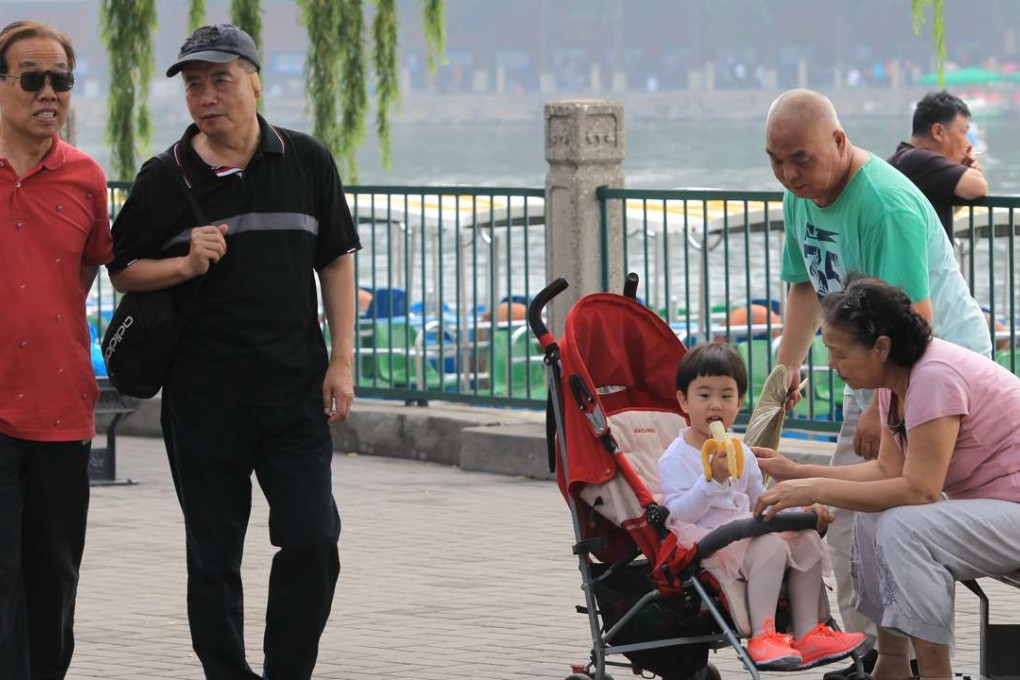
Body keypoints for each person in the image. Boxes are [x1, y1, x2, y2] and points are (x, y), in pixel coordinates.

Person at [107, 24, 360, 679]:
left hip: (295, 394)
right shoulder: (165, 177)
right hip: (203, 400)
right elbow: (123, 269)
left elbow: (334, 258)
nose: (207, 96)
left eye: (220, 80)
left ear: (254, 80)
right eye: (194, 84)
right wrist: (185, 266)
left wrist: (342, 360)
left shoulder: (306, 161)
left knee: (314, 540)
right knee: (214, 555)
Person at [764, 88, 992, 676]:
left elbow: (917, 319)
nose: (788, 174)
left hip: (932, 369)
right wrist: (786, 372)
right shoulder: (802, 195)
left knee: (896, 515)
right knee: (850, 516)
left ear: (839, 142)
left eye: (801, 159)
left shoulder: (881, 204)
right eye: (776, 160)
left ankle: (907, 660)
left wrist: (882, 409)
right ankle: (874, 653)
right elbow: (805, 287)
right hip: (871, 367)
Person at [753, 275, 1020, 680]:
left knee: (905, 526)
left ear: (881, 347)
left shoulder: (933, 377)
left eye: (840, 354)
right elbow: (887, 472)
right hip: (1002, 508)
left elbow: (920, 490)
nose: (831, 365)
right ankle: (892, 661)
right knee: (874, 518)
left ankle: (934, 673)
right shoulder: (894, 380)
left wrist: (813, 488)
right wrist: (795, 471)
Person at [0, 20, 113, 680]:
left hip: (61, 410)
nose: (50, 92)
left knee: (53, 584)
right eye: (33, 78)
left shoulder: (85, 179)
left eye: (61, 80)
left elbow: (93, 271)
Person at [656, 343, 864, 669]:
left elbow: (759, 503)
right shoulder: (675, 457)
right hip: (707, 541)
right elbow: (679, 514)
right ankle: (762, 636)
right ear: (683, 400)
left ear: (739, 402)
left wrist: (802, 515)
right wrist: (712, 481)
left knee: (806, 539)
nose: (715, 404)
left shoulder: (742, 451)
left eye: (726, 396)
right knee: (771, 547)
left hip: (746, 530)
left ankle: (809, 630)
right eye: (704, 395)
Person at [888, 90, 988, 240]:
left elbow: (945, 209)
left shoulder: (903, 159)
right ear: (938, 132)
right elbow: (978, 187)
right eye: (963, 132)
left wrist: (960, 170)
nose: (968, 144)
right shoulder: (919, 159)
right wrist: (971, 172)